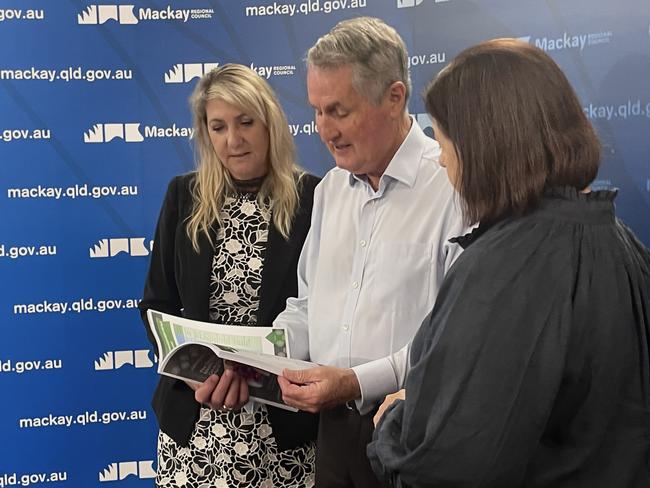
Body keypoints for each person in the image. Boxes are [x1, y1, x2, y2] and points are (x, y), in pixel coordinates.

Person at [368, 39, 650, 487]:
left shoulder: (500, 267)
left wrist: (398, 418)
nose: (441, 160)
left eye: (444, 142)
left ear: (485, 145)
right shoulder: (623, 243)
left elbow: (448, 466)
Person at [272, 17, 467, 487]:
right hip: (333, 436)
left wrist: (357, 381)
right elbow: (304, 307)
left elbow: (452, 338)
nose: (323, 129)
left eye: (338, 110)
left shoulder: (453, 187)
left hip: (414, 432)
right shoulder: (329, 191)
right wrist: (258, 358)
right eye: (317, 111)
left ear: (394, 97)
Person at [138, 63, 320, 488]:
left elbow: (324, 310)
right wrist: (193, 372)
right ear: (206, 134)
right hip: (194, 427)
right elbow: (156, 304)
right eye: (218, 127)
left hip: (282, 432)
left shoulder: (313, 196)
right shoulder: (184, 195)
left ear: (269, 123)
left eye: (245, 123)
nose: (233, 140)